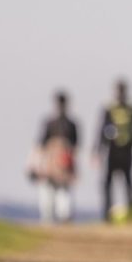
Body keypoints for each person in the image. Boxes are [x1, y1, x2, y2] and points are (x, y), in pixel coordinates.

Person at [96, 78, 132, 222]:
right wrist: (99, 150)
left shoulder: (131, 110)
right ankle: (108, 213)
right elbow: (101, 131)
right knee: (112, 184)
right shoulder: (112, 109)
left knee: (127, 184)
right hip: (115, 151)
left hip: (123, 151)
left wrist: (131, 142)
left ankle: (128, 213)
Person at [30, 91, 80, 223]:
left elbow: (75, 147)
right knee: (47, 189)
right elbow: (40, 145)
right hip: (50, 160)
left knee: (64, 189)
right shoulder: (49, 122)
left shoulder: (72, 124)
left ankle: (65, 216)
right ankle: (48, 218)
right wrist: (37, 163)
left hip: (65, 161)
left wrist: (72, 165)